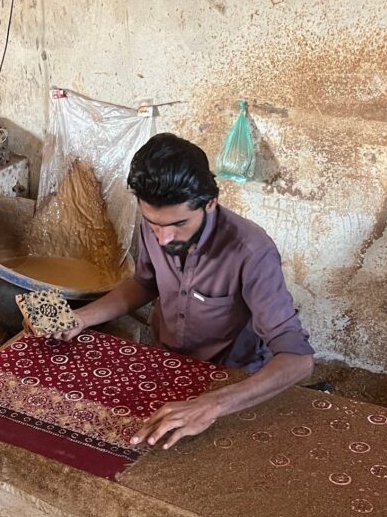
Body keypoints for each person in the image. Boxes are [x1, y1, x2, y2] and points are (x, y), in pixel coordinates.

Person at [50, 133, 314, 450]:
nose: (163, 238)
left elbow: (298, 360)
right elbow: (145, 283)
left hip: (226, 381)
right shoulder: (157, 224)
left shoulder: (252, 251)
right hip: (163, 364)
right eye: (153, 224)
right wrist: (79, 318)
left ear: (211, 203)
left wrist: (212, 404)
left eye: (178, 224)